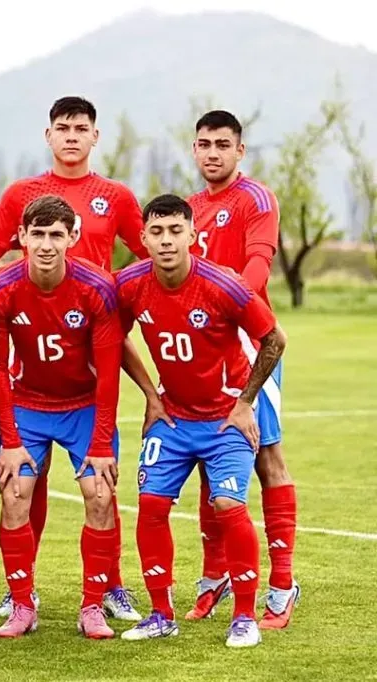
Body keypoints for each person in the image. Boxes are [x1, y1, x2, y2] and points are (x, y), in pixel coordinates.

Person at [0, 96, 145, 623]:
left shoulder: (115, 196)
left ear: (94, 136)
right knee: (21, 488)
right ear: (48, 135)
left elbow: (150, 257)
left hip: (92, 339)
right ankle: (23, 595)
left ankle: (107, 590)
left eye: (81, 128)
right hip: (32, 357)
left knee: (102, 488)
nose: (71, 137)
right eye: (62, 128)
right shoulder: (22, 195)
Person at [115, 194, 286, 648]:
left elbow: (274, 340)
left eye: (175, 231)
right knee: (150, 506)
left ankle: (245, 617)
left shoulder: (223, 285)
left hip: (223, 422)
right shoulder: (129, 284)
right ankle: (160, 614)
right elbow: (110, 337)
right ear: (144, 238)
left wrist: (245, 404)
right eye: (157, 232)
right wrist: (151, 394)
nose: (166, 241)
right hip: (172, 420)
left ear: (193, 235)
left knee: (229, 506)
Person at [0, 195, 131, 639]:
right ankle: (22, 605)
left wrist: (103, 443)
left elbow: (108, 375)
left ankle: (92, 607)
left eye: (55, 235)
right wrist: (9, 439)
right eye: (37, 234)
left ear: (73, 237)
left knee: (101, 496)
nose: (46, 245)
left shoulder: (97, 287)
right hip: (28, 407)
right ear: (22, 237)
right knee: (14, 496)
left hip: (84, 408)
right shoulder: (1, 287)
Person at [186, 110, 298, 628]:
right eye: (205, 143)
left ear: (240, 150)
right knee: (212, 463)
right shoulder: (188, 209)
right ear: (194, 149)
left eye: (223, 144)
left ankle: (281, 586)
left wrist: (224, 301)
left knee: (265, 457)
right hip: (202, 347)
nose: (213, 152)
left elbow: (257, 264)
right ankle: (216, 578)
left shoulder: (255, 199)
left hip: (250, 343)